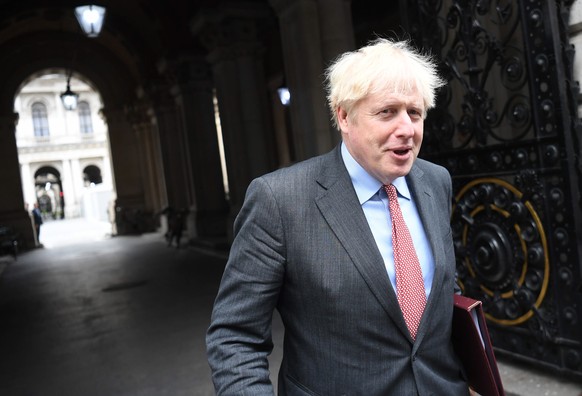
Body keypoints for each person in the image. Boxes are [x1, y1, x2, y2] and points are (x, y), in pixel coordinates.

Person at [206, 38, 470, 395]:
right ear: (344, 116)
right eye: (387, 112)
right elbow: (235, 337)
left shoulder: (435, 182)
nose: (407, 128)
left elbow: (440, 292)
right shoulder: (280, 201)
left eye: (415, 112)